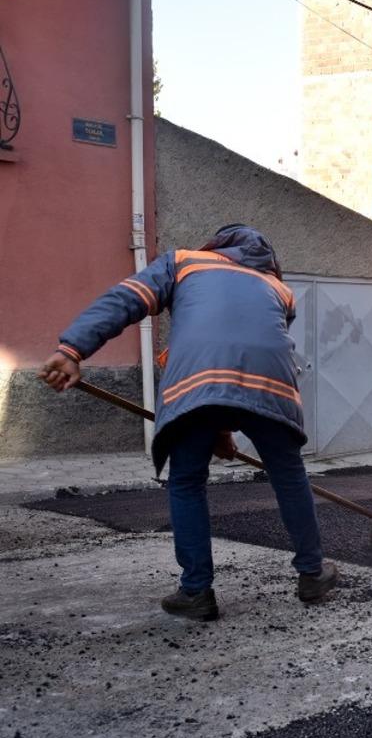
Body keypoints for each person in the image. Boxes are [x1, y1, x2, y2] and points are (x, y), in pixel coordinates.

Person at [39, 224, 338, 621]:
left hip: (196, 383)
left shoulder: (184, 262)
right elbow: (245, 354)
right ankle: (313, 574)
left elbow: (127, 299)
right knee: (288, 475)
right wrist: (224, 428)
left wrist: (73, 348)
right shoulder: (278, 289)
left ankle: (196, 591)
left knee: (186, 480)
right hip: (272, 387)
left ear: (217, 246)